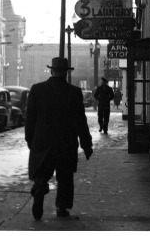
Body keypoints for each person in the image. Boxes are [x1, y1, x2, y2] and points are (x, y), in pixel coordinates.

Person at [25, 57, 93, 220]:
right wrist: (86, 144)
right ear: (66, 73)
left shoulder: (37, 90)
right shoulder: (74, 92)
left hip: (43, 141)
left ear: (51, 70)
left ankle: (40, 188)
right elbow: (80, 121)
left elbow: (30, 119)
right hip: (66, 142)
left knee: (41, 172)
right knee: (65, 177)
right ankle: (62, 208)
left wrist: (30, 140)